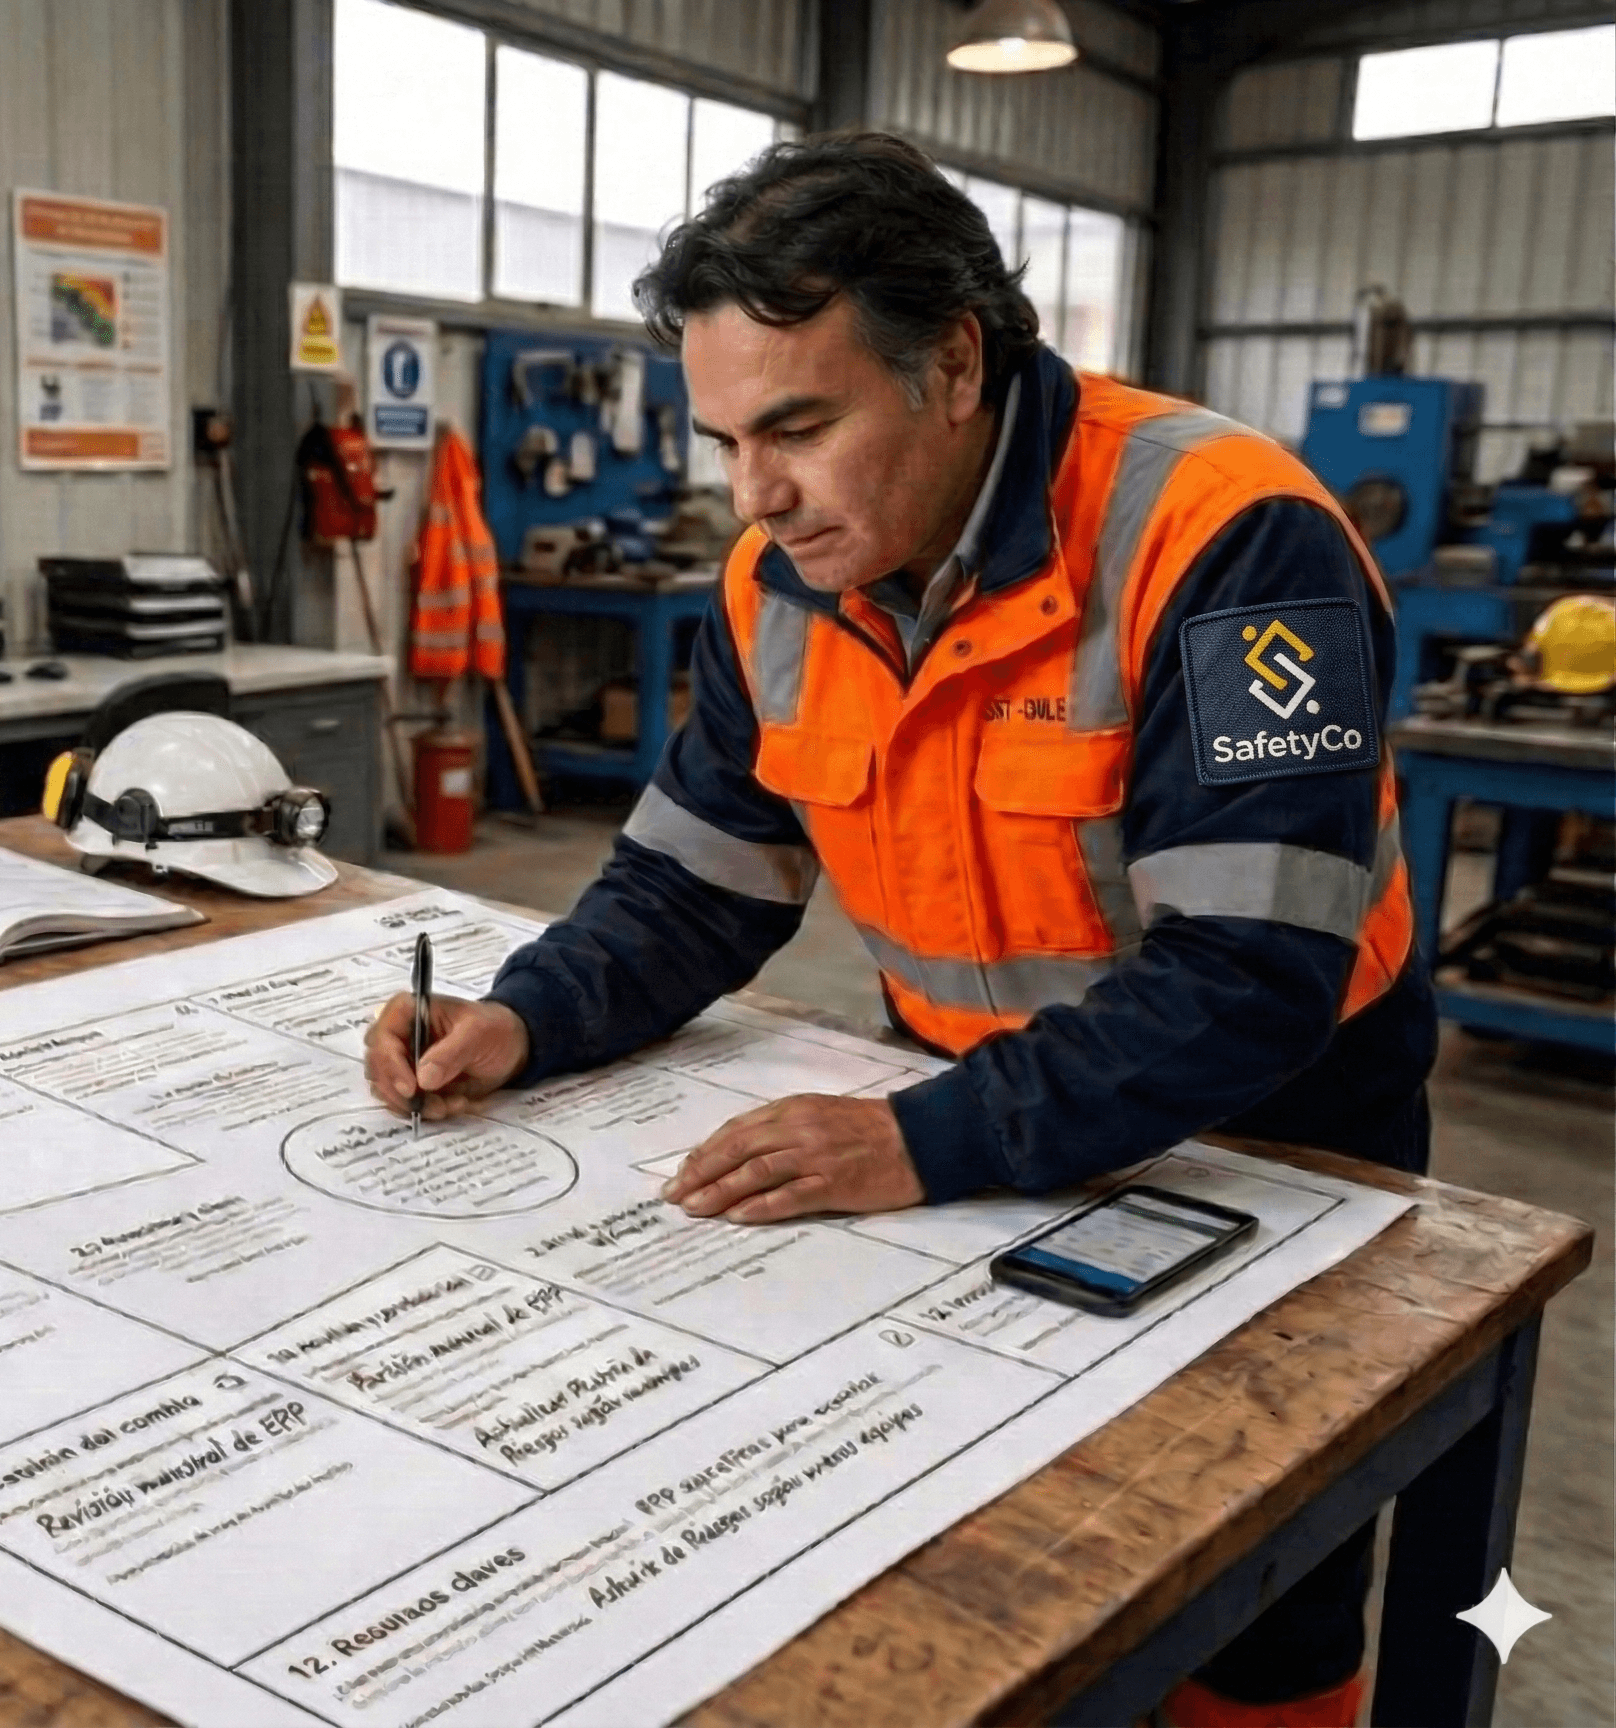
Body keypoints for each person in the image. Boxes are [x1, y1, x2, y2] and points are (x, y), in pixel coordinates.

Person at [362, 133, 1432, 1728]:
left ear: (952, 365)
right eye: (725, 440)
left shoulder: (1225, 536)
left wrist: (916, 1140)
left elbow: (1248, 976)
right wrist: (528, 1014)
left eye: (798, 427)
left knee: (1253, 1577)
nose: (753, 494)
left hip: (1274, 1139)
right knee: (996, 1572)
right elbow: (691, 883)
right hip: (968, 1129)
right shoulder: (774, 584)